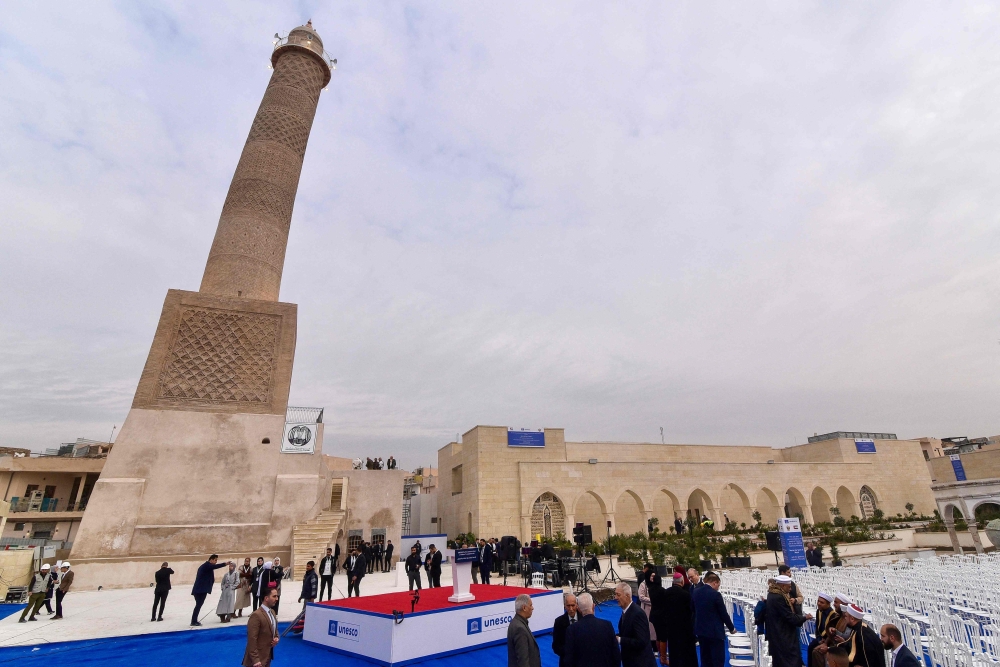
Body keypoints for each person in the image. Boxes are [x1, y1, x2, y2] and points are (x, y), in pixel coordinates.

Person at [765, 575, 813, 667]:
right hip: (782, 634)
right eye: (789, 587)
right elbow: (789, 617)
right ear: (783, 586)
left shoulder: (772, 594)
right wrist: (804, 618)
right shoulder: (778, 597)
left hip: (777, 632)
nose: (790, 589)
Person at [563, 592, 620, 667]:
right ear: (593, 606)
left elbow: (569, 659)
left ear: (579, 609)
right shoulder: (607, 626)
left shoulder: (572, 630)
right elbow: (616, 655)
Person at [692, 571, 736, 667]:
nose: (718, 588)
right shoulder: (715, 595)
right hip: (714, 632)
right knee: (717, 660)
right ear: (714, 582)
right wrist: (732, 628)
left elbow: (693, 609)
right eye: (718, 585)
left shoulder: (696, 592)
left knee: (705, 659)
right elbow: (723, 614)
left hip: (701, 630)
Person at [615, 581, 656, 667]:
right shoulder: (626, 611)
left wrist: (620, 640)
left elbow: (641, 641)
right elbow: (627, 633)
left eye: (618, 595)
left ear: (627, 596)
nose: (615, 598)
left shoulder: (637, 614)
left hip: (641, 662)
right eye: (615, 595)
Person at [243, 586, 280, 667]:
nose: (277, 599)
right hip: (257, 661)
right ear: (266, 598)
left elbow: (274, 629)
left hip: (267, 656)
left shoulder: (272, 612)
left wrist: (276, 637)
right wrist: (255, 660)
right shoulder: (256, 615)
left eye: (277, 596)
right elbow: (252, 639)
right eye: (274, 596)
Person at [507, 593, 541, 667]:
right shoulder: (520, 629)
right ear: (524, 608)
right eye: (530, 605)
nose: (532, 608)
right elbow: (523, 660)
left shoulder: (516, 622)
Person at [807, 593, 839, 667]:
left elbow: (833, 632)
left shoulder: (833, 615)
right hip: (820, 638)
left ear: (828, 604)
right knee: (811, 646)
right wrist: (819, 639)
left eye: (822, 602)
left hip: (829, 641)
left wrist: (826, 641)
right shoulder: (819, 611)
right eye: (818, 601)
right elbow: (817, 627)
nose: (819, 603)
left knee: (817, 651)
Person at [551, 593, 579, 667]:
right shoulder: (559, 622)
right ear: (564, 606)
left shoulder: (583, 618)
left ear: (577, 605)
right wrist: (568, 652)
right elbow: (556, 646)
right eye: (568, 606)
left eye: (573, 605)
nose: (571, 609)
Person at [636, 564, 657, 648]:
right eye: (652, 576)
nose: (653, 578)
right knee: (648, 628)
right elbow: (641, 597)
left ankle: (656, 647)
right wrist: (652, 600)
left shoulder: (655, 584)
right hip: (646, 609)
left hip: (655, 609)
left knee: (655, 629)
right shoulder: (643, 584)